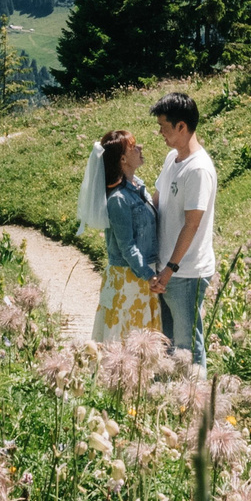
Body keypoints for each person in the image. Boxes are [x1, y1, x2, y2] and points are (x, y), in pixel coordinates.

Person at [148, 91, 216, 366]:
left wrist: (170, 269)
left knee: (188, 345)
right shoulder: (171, 159)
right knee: (169, 342)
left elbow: (192, 223)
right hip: (166, 269)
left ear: (181, 126)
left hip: (186, 272)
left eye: (164, 127)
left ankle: (197, 403)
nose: (161, 133)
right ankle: (171, 400)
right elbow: (156, 199)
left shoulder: (198, 169)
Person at [77, 128, 161, 344]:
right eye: (134, 147)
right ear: (123, 159)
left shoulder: (138, 186)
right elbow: (127, 246)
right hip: (128, 280)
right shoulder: (118, 199)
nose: (140, 148)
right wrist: (148, 275)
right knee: (127, 339)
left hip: (141, 274)